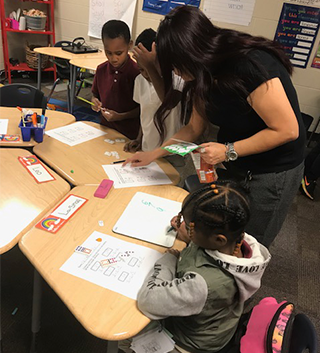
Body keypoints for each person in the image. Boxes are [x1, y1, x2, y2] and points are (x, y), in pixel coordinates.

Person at [124, 6, 306, 248]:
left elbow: (287, 130)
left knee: (250, 242)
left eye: (176, 65)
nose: (176, 72)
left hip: (274, 170)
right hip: (236, 160)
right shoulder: (201, 74)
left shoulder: (250, 65)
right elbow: (192, 129)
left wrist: (228, 150)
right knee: (223, 230)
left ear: (193, 52)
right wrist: (153, 154)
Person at [122, 181, 271, 353]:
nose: (184, 227)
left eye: (191, 228)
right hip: (214, 324)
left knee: (124, 334)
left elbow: (148, 301)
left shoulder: (204, 284)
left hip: (186, 342)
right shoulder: (237, 241)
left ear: (218, 239)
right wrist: (191, 237)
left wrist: (170, 258)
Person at [124, 28, 184, 154]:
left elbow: (168, 101)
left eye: (149, 66)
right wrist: (139, 139)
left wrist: (150, 67)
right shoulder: (139, 81)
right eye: (141, 69)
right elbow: (144, 113)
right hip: (148, 148)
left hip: (172, 152)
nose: (145, 74)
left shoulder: (178, 79)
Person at [91, 20, 140, 139]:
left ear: (130, 45)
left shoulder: (137, 73)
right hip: (105, 129)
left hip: (129, 134)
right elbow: (94, 94)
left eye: (119, 53)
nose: (114, 59)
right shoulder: (101, 69)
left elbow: (143, 109)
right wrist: (94, 102)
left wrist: (120, 116)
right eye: (109, 53)